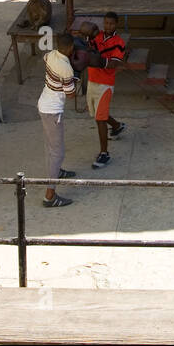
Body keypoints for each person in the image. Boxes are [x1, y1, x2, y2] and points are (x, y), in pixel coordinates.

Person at [38, 32, 79, 207]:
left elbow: (44, 59)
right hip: (53, 111)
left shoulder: (50, 55)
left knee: (50, 146)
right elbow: (70, 95)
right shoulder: (66, 68)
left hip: (43, 104)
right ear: (70, 48)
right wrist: (75, 79)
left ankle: (57, 172)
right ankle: (50, 195)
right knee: (57, 152)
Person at [85, 12, 127, 168]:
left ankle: (104, 154)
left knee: (100, 119)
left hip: (105, 83)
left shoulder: (119, 42)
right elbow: (87, 47)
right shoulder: (97, 36)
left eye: (111, 23)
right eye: (106, 23)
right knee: (97, 113)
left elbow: (113, 64)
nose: (108, 26)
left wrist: (92, 57)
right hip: (92, 79)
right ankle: (116, 126)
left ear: (116, 24)